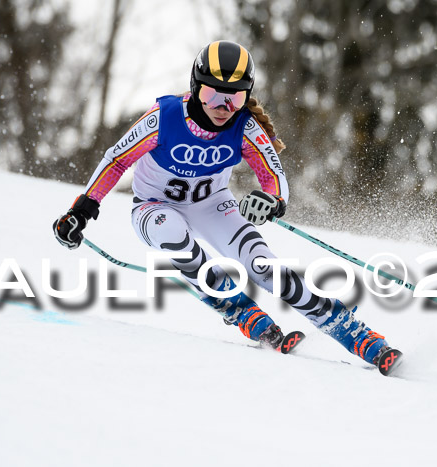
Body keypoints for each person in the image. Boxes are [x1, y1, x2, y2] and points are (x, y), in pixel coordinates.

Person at [53, 40, 398, 367]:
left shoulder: (245, 128)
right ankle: (235, 307)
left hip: (212, 205)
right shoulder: (163, 118)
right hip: (154, 207)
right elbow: (116, 160)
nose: (223, 106)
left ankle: (351, 330)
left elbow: (274, 175)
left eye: (235, 98)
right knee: (174, 235)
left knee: (263, 267)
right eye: (212, 93)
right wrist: (82, 210)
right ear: (195, 87)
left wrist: (272, 200)